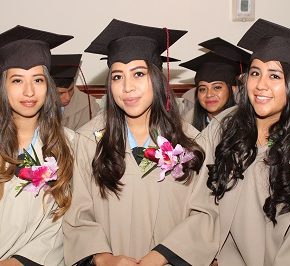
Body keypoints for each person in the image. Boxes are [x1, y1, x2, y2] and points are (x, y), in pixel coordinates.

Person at [63, 19, 217, 266]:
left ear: (157, 79)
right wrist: (104, 258)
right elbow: (77, 215)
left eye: (138, 74)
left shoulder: (189, 142)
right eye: (117, 76)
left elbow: (204, 212)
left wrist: (160, 256)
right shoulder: (89, 141)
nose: (127, 87)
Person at [194, 18, 290, 265]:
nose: (260, 85)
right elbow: (195, 190)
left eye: (274, 75)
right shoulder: (225, 126)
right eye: (255, 72)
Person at [0, 25, 74, 265]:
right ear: (3, 86)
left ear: (48, 86)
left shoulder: (70, 145)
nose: (29, 91)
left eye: (38, 79)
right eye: (17, 80)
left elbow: (64, 224)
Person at [179, 52, 237, 131]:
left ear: (233, 90)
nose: (209, 94)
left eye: (217, 87)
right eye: (202, 89)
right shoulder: (185, 128)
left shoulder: (246, 126)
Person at [50, 54, 101, 131]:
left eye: (70, 90)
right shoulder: (34, 105)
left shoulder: (88, 105)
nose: (68, 97)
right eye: (60, 93)